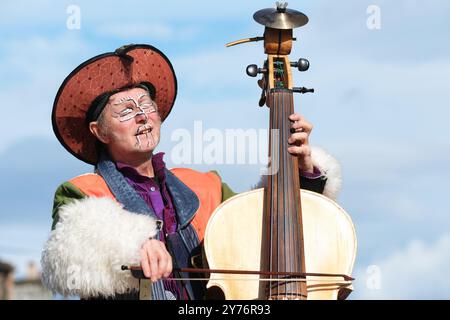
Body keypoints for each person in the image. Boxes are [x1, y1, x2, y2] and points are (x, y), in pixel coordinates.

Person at [41, 44, 342, 300]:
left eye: (147, 106)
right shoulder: (81, 191)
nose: (143, 117)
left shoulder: (203, 185)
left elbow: (267, 226)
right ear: (99, 131)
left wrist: (301, 171)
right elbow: (71, 250)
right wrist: (132, 245)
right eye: (126, 112)